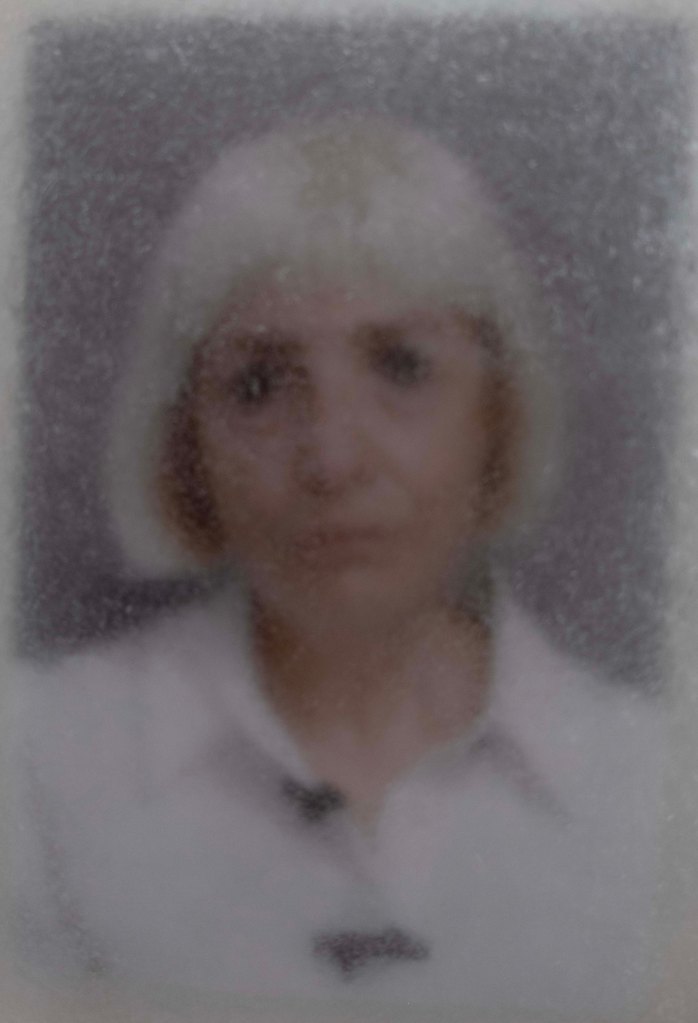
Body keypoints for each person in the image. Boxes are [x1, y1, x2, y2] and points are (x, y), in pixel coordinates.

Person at [13, 115, 666, 1018]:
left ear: (500, 413)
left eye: (401, 367)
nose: (331, 458)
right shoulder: (35, 764)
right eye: (258, 384)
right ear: (185, 445)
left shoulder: (654, 780)